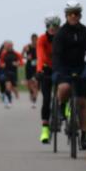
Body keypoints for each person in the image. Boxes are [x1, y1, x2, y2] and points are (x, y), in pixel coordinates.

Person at [52, 0, 86, 150]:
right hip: (64, 67)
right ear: (66, 15)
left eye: (76, 13)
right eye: (70, 14)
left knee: (82, 103)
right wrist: (57, 71)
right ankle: (62, 107)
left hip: (80, 66)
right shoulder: (61, 33)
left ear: (80, 15)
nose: (73, 16)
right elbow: (56, 55)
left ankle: (83, 136)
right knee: (64, 88)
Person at [36, 14, 60, 144]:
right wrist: (39, 71)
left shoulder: (62, 37)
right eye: (49, 26)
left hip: (61, 68)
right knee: (46, 100)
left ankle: (66, 110)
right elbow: (39, 55)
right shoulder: (42, 39)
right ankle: (45, 129)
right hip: (46, 69)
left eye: (54, 26)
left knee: (64, 91)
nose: (52, 28)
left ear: (58, 26)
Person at [0, 40, 23, 107]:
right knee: (8, 86)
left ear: (12, 46)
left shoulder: (16, 53)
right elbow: (0, 62)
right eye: (7, 46)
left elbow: (22, 63)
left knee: (14, 87)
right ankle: (9, 101)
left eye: (9, 46)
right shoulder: (3, 54)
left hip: (14, 73)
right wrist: (2, 64)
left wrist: (17, 63)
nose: (8, 47)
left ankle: (16, 94)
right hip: (6, 72)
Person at [22, 34, 39, 108]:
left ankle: (34, 100)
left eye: (36, 39)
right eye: (33, 39)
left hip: (37, 66)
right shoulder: (26, 47)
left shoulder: (39, 46)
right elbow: (21, 55)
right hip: (29, 67)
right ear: (31, 39)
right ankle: (31, 92)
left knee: (35, 83)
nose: (35, 41)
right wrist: (26, 57)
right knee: (29, 83)